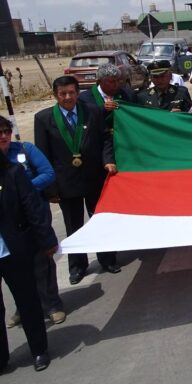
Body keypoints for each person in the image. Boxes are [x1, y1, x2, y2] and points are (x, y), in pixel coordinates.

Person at [33, 76, 119, 285]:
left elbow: (106, 139)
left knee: (100, 220)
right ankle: (78, 266)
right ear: (55, 95)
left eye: (71, 92)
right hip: (65, 183)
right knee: (74, 225)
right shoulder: (43, 118)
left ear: (78, 92)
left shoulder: (93, 112)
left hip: (94, 178)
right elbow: (43, 155)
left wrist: (108, 161)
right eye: (62, 94)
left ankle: (107, 259)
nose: (68, 97)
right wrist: (50, 189)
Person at [0, 117, 65, 327]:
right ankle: (23, 308)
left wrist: (23, 188)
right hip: (7, 226)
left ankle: (53, 305)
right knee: (17, 271)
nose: (3, 136)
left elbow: (48, 173)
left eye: (6, 132)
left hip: (33, 216)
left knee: (41, 264)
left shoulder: (25, 150)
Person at [0, 154, 58, 373]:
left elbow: (32, 208)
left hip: (13, 249)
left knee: (27, 301)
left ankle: (39, 350)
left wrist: (47, 240)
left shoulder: (13, 173)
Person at [79, 63, 136, 130]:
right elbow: (84, 121)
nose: (116, 84)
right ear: (100, 81)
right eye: (112, 82)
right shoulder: (84, 98)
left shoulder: (127, 95)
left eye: (118, 80)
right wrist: (103, 109)